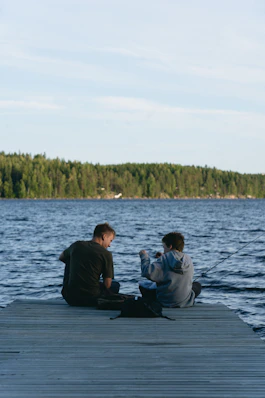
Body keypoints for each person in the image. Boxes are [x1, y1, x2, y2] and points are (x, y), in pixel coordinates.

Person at [59, 222, 120, 306]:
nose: (109, 245)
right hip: (92, 298)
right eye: (110, 241)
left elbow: (61, 257)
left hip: (71, 298)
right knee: (115, 285)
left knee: (69, 258)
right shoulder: (106, 254)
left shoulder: (76, 245)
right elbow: (107, 284)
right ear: (104, 236)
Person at [139, 232, 201, 308]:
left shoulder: (164, 258)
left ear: (170, 246)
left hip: (164, 301)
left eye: (164, 247)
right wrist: (163, 257)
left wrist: (144, 257)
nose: (164, 250)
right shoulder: (188, 259)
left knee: (143, 284)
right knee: (197, 285)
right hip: (185, 302)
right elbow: (175, 264)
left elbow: (146, 272)